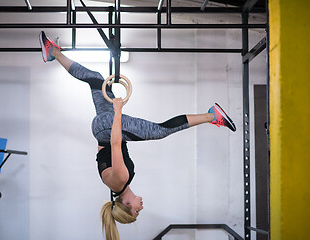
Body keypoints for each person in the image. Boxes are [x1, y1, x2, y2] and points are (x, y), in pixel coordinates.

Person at [39, 31, 236, 240]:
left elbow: (115, 144)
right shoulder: (116, 184)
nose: (141, 207)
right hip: (102, 130)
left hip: (109, 129)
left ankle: (211, 115)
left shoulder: (120, 180)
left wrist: (117, 111)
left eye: (136, 210)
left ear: (126, 204)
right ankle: (53, 53)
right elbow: (105, 149)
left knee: (160, 131)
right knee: (96, 80)